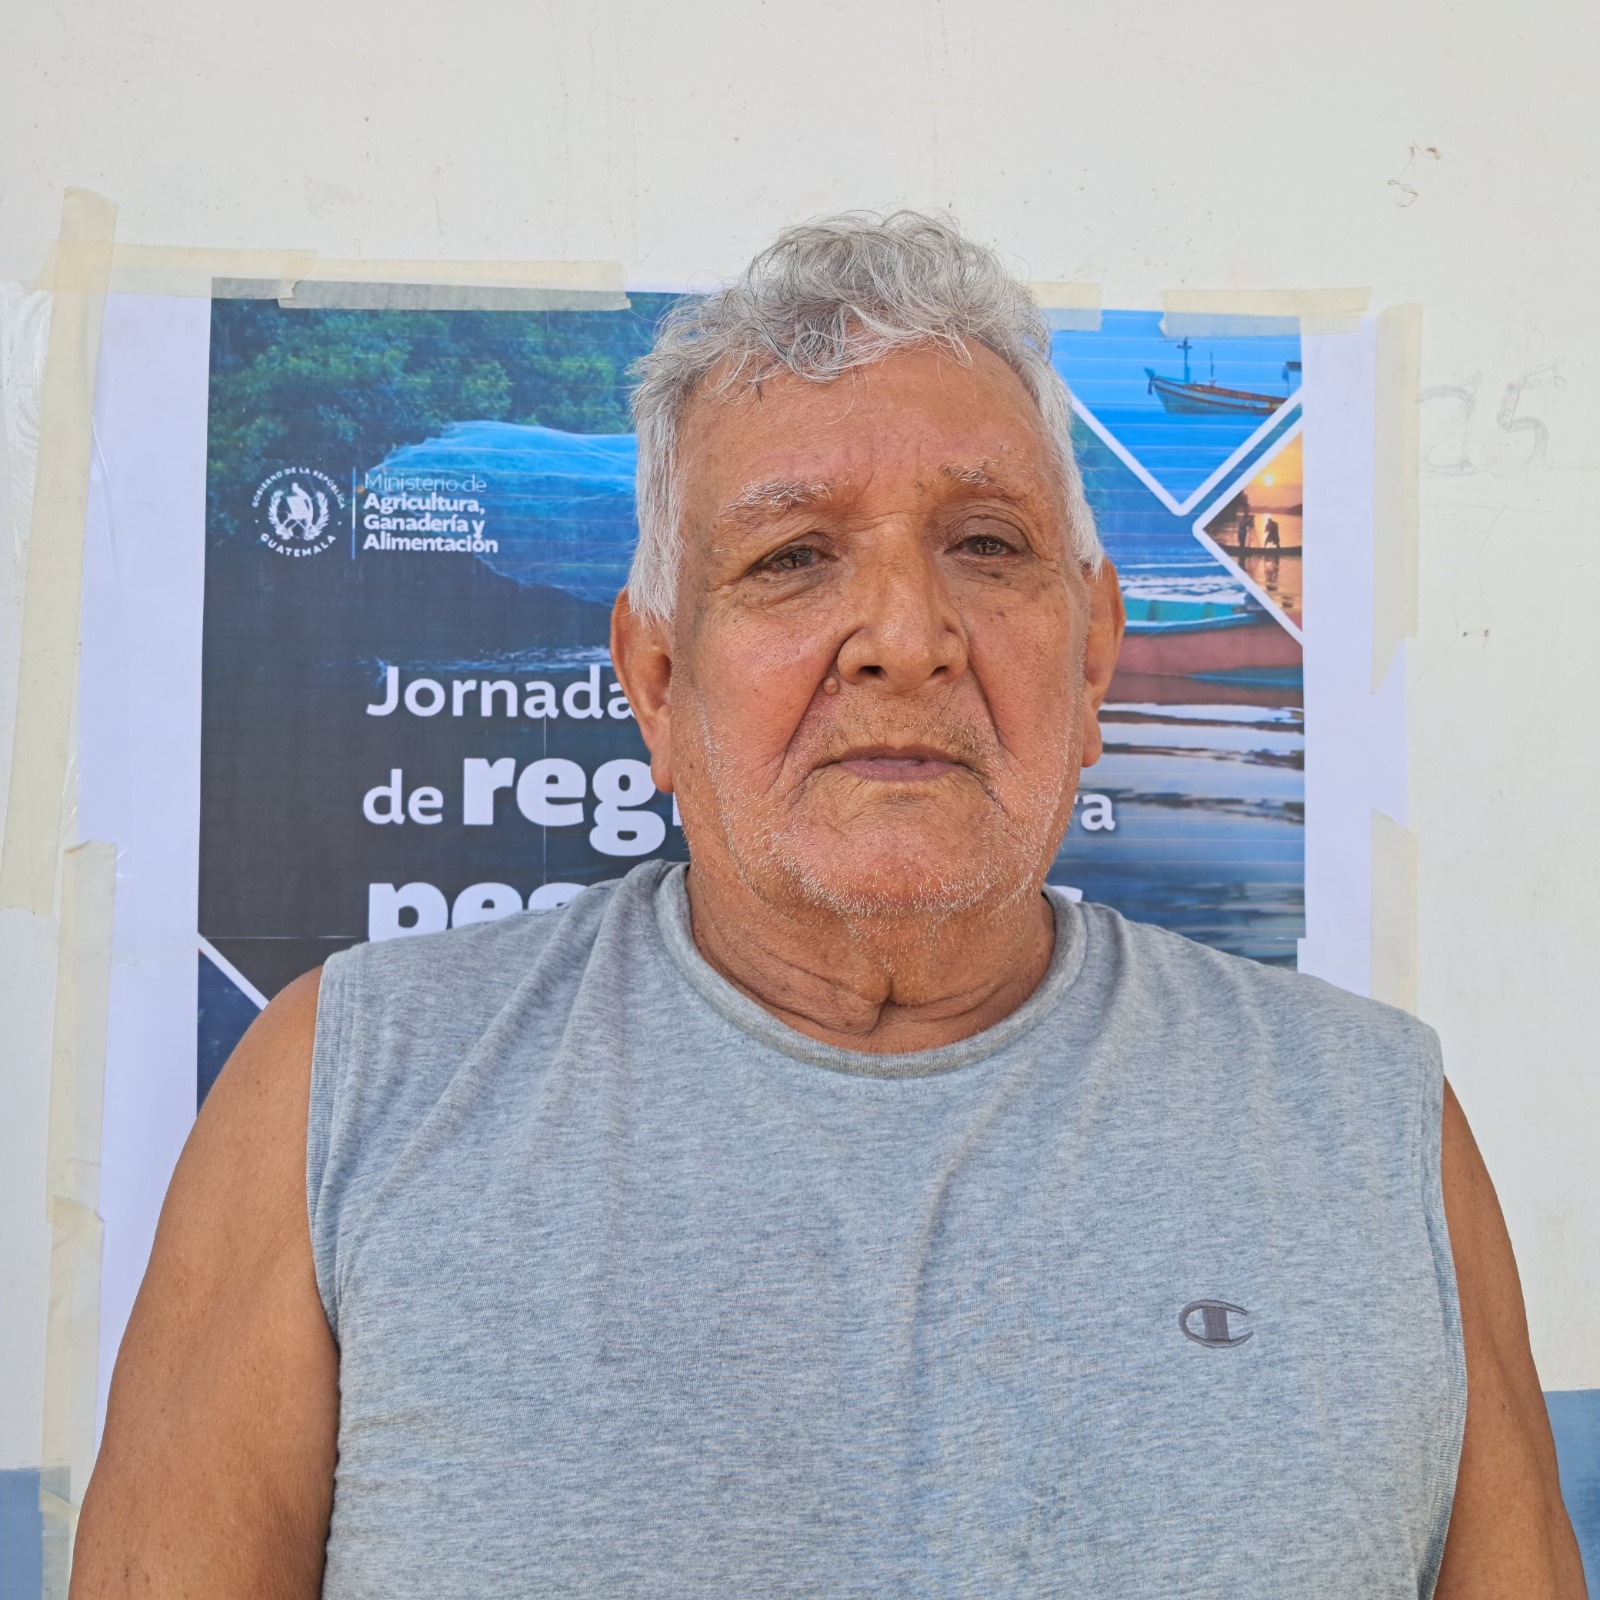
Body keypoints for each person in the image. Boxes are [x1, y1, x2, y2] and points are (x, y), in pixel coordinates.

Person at [73, 213, 1584, 1599]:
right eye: (792, 557)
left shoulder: (1372, 1132)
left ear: (1093, 658)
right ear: (657, 681)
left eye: (985, 545)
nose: (906, 638)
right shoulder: (342, 1096)